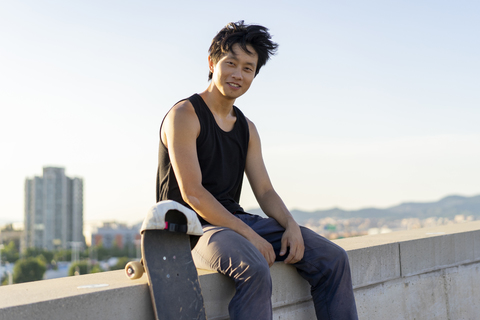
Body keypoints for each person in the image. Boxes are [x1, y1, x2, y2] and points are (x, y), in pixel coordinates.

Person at [156, 20, 358, 320]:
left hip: (232, 222)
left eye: (248, 68)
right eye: (231, 63)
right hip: (189, 229)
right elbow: (194, 194)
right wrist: (250, 235)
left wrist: (290, 225)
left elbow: (264, 190)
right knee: (253, 266)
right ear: (212, 63)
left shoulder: (247, 128)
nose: (238, 74)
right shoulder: (185, 115)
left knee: (333, 258)